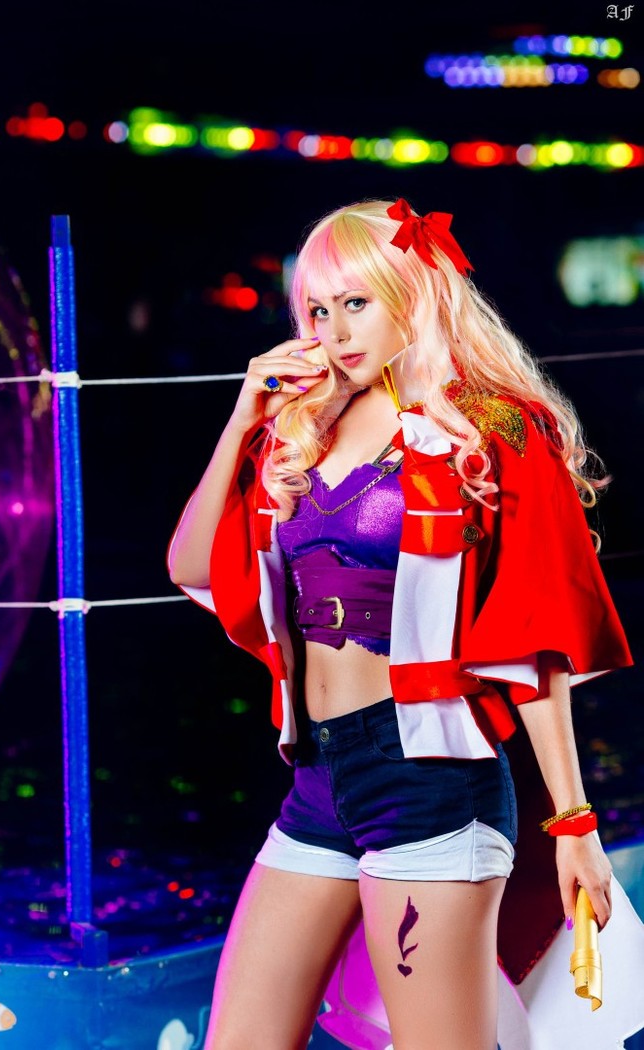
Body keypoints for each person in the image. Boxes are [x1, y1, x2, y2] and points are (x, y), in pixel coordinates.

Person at [167, 198, 633, 1050]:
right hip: (317, 778)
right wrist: (242, 417)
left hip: (432, 779)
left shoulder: (486, 427)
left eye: (357, 302)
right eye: (318, 309)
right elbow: (191, 565)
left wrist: (574, 824)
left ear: (411, 293)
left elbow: (536, 635)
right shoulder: (297, 430)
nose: (335, 331)